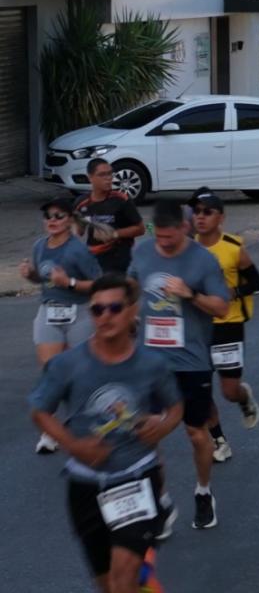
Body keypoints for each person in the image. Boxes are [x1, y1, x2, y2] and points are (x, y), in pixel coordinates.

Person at [28, 272, 184, 593]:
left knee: (122, 580)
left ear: (131, 312)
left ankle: (140, 574)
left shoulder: (152, 364)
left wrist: (163, 426)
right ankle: (146, 581)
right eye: (98, 310)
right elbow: (40, 411)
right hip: (85, 484)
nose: (106, 316)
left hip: (136, 475)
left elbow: (176, 408)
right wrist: (74, 445)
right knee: (107, 585)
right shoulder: (68, 364)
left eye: (114, 308)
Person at [129, 199, 230, 530]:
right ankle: (160, 502)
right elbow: (131, 288)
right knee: (147, 432)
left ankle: (203, 492)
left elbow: (221, 308)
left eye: (170, 239)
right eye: (160, 239)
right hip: (150, 360)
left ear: (184, 228)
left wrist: (189, 294)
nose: (165, 244)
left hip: (191, 361)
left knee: (195, 432)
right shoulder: (143, 253)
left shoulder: (203, 260)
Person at [20, 197, 102, 454]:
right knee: (51, 371)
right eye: (48, 217)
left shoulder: (78, 250)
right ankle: (50, 431)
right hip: (49, 311)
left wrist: (70, 283)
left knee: (80, 372)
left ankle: (86, 423)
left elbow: (99, 285)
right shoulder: (39, 246)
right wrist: (31, 275)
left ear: (69, 220)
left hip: (78, 312)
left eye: (58, 216)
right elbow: (41, 279)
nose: (52, 221)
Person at [188, 189, 259, 465]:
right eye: (196, 212)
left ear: (221, 217)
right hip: (198, 327)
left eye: (207, 212)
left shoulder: (233, 247)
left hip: (228, 325)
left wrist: (231, 292)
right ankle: (219, 440)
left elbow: (257, 284)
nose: (200, 217)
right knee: (201, 389)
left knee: (228, 391)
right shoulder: (187, 248)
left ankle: (244, 398)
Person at [73, 159, 145, 273]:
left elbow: (141, 229)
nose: (108, 178)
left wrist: (114, 234)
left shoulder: (122, 200)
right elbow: (79, 231)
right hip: (93, 258)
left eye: (110, 173)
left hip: (119, 260)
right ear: (90, 177)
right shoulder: (81, 203)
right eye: (102, 175)